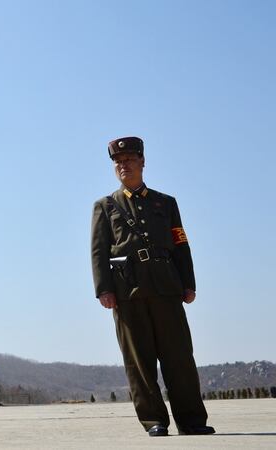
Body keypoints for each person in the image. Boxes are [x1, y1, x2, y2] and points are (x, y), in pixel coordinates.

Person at [90, 137, 214, 437]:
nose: (124, 165)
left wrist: (188, 283)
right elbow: (98, 251)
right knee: (139, 362)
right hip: (126, 291)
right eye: (118, 162)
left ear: (142, 162)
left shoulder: (166, 203)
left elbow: (181, 245)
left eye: (130, 159)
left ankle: (192, 421)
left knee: (180, 359)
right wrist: (103, 289)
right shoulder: (105, 206)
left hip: (167, 288)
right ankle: (153, 420)